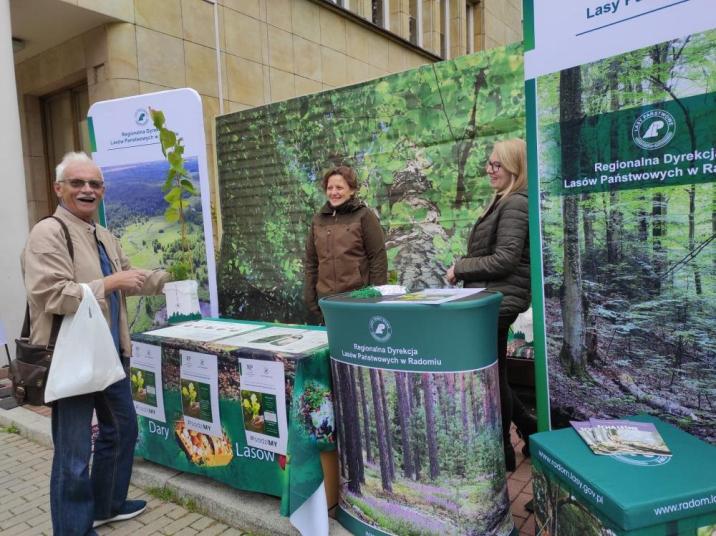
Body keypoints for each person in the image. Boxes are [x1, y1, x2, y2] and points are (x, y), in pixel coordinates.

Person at [21, 152, 170, 535]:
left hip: (110, 354)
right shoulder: (48, 233)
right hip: (71, 359)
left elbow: (128, 277)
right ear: (59, 188)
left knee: (122, 430)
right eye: (77, 182)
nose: (88, 190)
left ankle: (107, 505)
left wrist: (169, 277)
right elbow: (49, 294)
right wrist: (107, 285)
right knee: (73, 454)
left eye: (95, 184)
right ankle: (73, 529)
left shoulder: (102, 234)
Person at [446, 139, 536, 472]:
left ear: (514, 166)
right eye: (489, 163)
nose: (488, 169)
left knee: (491, 379)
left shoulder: (515, 204)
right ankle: (526, 430)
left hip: (497, 303)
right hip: (490, 301)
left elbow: (505, 259)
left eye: (495, 165)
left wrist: (460, 268)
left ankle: (501, 453)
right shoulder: (504, 202)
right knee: (495, 374)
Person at [304, 165, 388, 323]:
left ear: (352, 190)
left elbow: (377, 258)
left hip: (358, 300)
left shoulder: (364, 216)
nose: (334, 192)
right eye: (330, 188)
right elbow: (311, 262)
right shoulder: (317, 220)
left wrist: (374, 296)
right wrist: (311, 298)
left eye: (339, 187)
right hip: (327, 302)